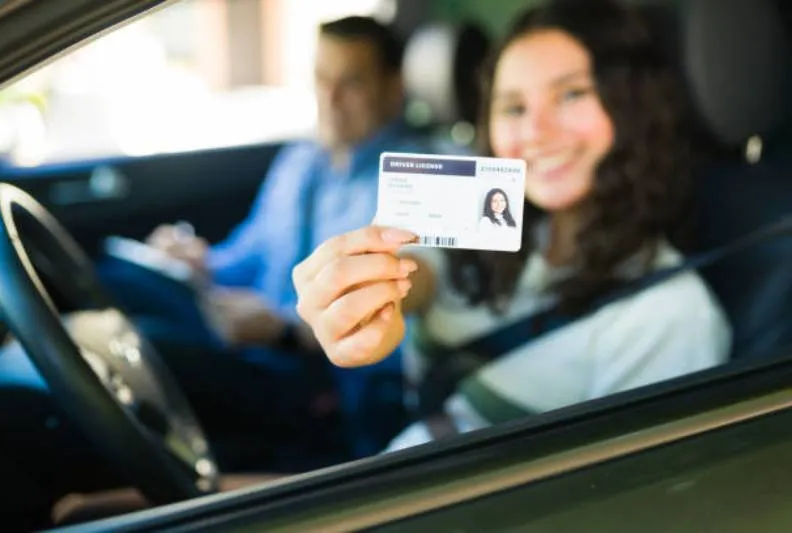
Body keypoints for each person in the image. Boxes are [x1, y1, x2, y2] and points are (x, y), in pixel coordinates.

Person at [293, 0, 732, 453]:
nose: (536, 132)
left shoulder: (666, 316)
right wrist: (366, 296)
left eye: (572, 94)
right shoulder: (489, 222)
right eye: (514, 107)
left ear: (631, 105)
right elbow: (417, 271)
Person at [101, 15, 435, 466]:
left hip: (322, 382)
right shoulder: (298, 161)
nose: (330, 99)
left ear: (393, 89)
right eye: (321, 79)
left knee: (141, 348)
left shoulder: (416, 178)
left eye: (351, 83)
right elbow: (245, 254)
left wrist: (282, 330)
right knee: (116, 281)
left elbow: (397, 295)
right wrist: (198, 259)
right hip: (247, 341)